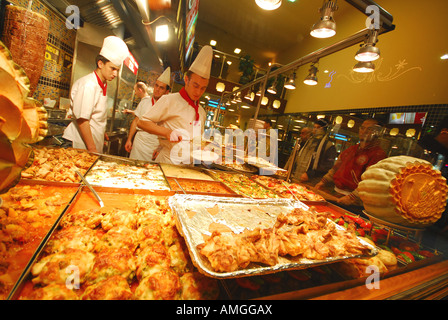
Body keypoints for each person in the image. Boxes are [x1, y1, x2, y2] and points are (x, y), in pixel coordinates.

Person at [137, 45, 213, 164]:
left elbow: (198, 140)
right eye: (195, 86)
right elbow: (142, 122)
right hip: (168, 162)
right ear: (186, 80)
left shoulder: (201, 112)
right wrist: (167, 132)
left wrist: (204, 148)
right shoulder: (169, 100)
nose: (198, 92)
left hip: (189, 167)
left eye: (203, 88)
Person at [63, 36, 129, 153]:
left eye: (117, 70)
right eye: (112, 68)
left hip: (91, 143)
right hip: (79, 143)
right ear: (100, 64)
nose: (115, 73)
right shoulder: (88, 85)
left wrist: (100, 133)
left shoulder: (102, 84)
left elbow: (94, 115)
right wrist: (92, 148)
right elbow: (82, 120)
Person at [315, 118, 387, 206]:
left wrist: (353, 197)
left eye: (370, 129)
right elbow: (335, 168)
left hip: (354, 201)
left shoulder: (378, 154)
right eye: (362, 128)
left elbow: (369, 182)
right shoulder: (351, 149)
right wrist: (323, 181)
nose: (364, 131)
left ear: (377, 133)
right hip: (335, 193)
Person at [125, 68, 171, 161]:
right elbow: (136, 121)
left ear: (166, 92)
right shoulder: (144, 102)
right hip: (140, 142)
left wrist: (160, 149)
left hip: (155, 145)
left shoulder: (168, 108)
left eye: (161, 88)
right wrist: (129, 139)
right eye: (156, 86)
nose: (157, 89)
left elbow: (168, 129)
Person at [291, 118, 337, 184]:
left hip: (311, 181)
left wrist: (310, 174)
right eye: (314, 127)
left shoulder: (328, 146)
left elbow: (327, 166)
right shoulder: (308, 141)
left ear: (324, 129)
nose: (315, 129)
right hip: (297, 177)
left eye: (318, 127)